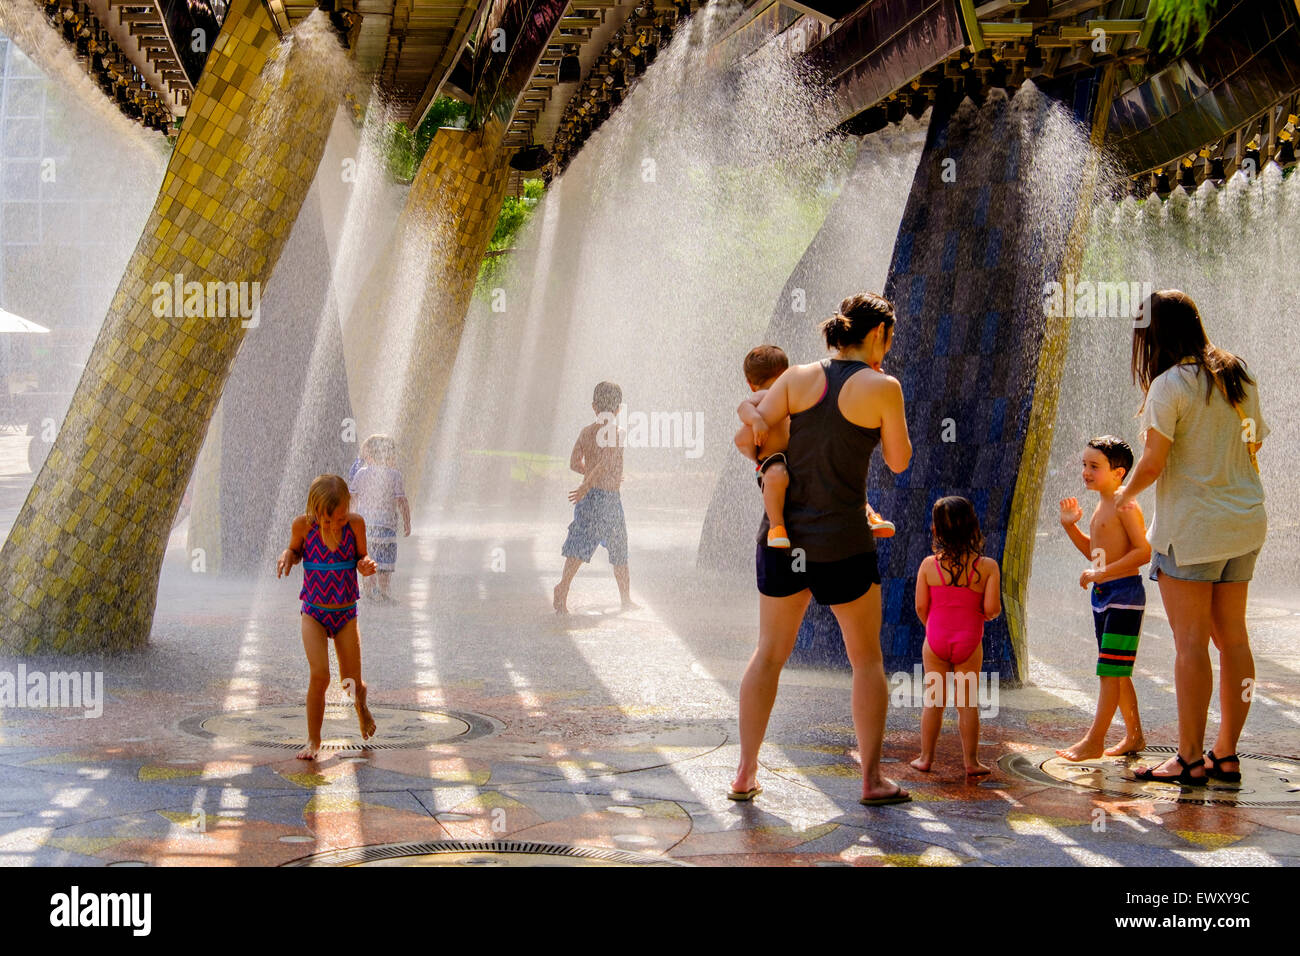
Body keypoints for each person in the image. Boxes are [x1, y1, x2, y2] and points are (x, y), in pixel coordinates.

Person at [730, 292, 912, 806]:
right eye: (889, 338)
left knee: (767, 655)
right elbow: (899, 461)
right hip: (844, 544)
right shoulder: (883, 387)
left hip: (784, 539)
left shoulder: (796, 378)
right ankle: (872, 780)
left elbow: (749, 435)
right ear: (878, 334)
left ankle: (745, 772)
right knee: (866, 660)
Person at [1119, 291, 1268, 786]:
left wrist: (1122, 495)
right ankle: (1226, 754)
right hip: (1244, 524)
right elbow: (1254, 443)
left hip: (1191, 531)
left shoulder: (1169, 385)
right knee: (1234, 640)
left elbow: (1154, 463)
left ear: (1154, 336)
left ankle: (1187, 759)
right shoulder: (1236, 374)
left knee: (1190, 645)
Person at [735, 345, 895, 549]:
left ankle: (870, 515)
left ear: (750, 383)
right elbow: (743, 408)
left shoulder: (790, 390)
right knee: (778, 475)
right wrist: (757, 420)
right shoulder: (766, 394)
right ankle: (777, 527)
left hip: (799, 454)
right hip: (775, 458)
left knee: (835, 472)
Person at [1056, 436, 1150, 761]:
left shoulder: (1125, 502)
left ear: (1119, 472)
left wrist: (1102, 574)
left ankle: (1094, 741)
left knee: (1109, 672)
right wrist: (1072, 528)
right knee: (1116, 671)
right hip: (1105, 595)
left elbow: (1143, 552)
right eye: (1084, 464)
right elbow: (1096, 555)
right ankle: (1135, 736)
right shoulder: (1101, 504)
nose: (1085, 472)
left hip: (1124, 595)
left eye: (1094, 466)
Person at [277, 474, 378, 759]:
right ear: (314, 511)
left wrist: (366, 564)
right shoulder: (303, 526)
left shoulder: (356, 525)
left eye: (341, 519)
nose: (335, 525)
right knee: (320, 675)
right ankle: (313, 740)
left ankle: (361, 706)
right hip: (314, 613)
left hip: (345, 614)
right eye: (327, 520)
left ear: (349, 508)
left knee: (351, 682)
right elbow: (296, 552)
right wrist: (287, 555)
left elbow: (361, 557)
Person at [910, 496, 1000, 778]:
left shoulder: (928, 565)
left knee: (933, 701)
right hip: (969, 641)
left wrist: (934, 627)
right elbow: (992, 609)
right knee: (967, 703)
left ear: (935, 531)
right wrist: (976, 619)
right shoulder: (987, 567)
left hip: (935, 639)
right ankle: (971, 762)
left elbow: (921, 607)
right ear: (974, 527)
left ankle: (925, 758)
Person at [553, 381, 635, 613]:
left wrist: (586, 481)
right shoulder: (617, 433)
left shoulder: (586, 432)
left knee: (580, 543)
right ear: (618, 409)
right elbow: (607, 462)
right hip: (606, 498)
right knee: (619, 548)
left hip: (591, 498)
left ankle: (564, 588)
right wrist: (587, 485)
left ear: (594, 407)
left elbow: (573, 463)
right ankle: (625, 599)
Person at [350, 434, 410, 602]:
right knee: (385, 563)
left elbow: (353, 498)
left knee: (367, 559)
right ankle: (383, 592)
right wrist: (407, 521)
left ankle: (368, 592)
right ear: (389, 455)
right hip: (386, 527)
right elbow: (401, 501)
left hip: (365, 527)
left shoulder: (361, 474)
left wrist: (350, 519)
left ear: (368, 455)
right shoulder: (394, 475)